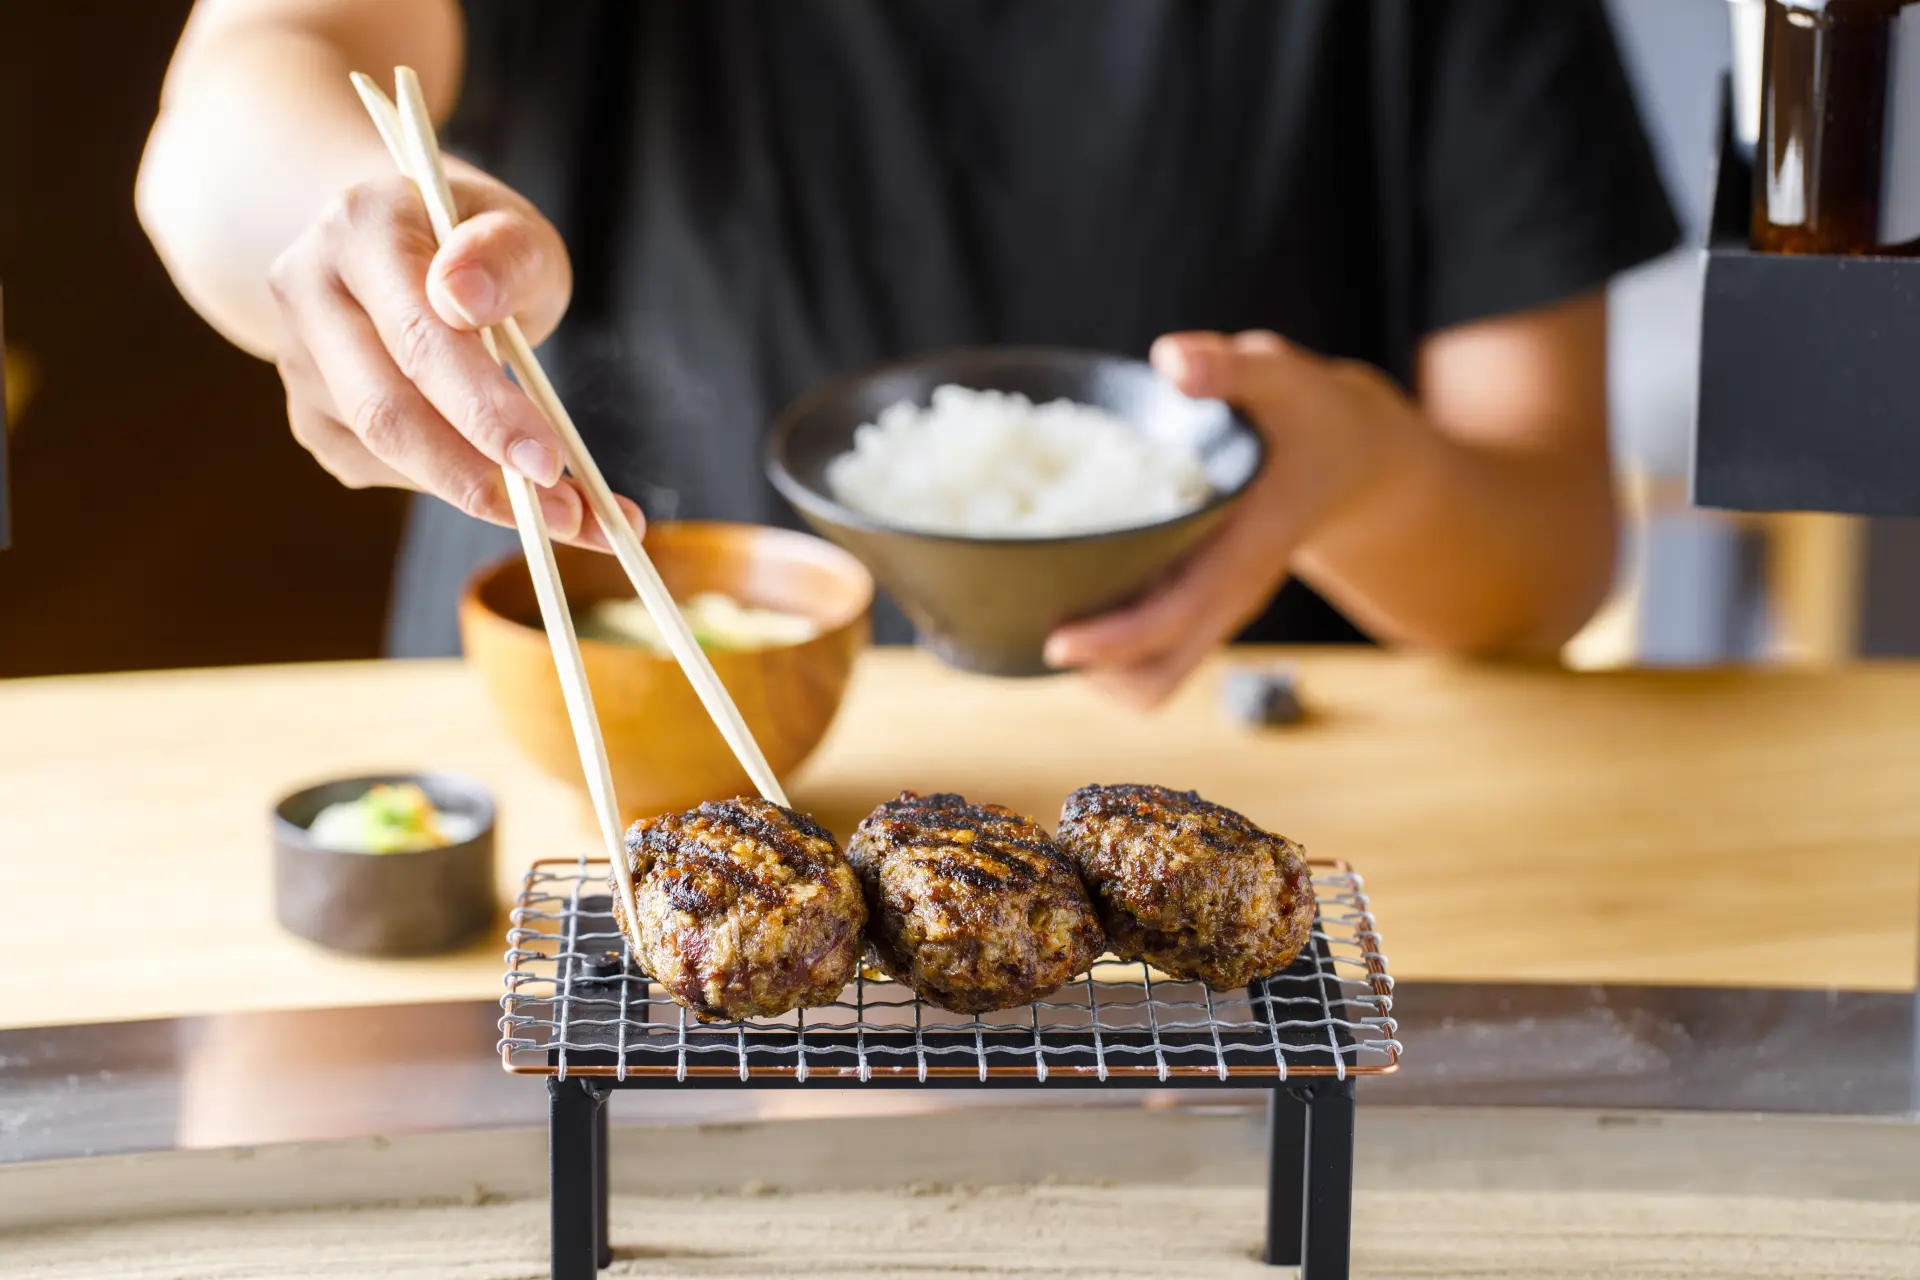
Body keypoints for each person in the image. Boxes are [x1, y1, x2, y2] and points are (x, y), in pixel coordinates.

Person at [138, 0, 1677, 707]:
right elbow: (249, 82)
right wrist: (360, 241)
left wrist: (1357, 468)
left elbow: (1550, 560)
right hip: (584, 773)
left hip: (1243, 830)